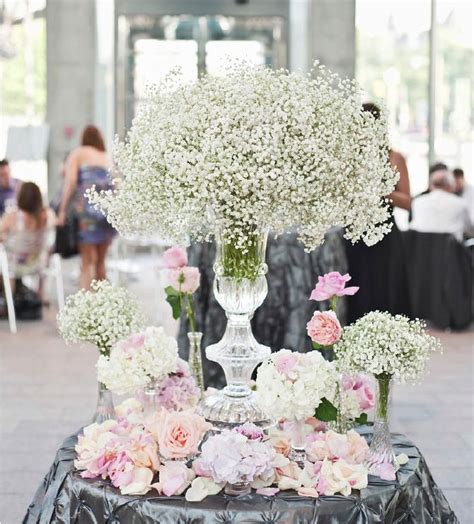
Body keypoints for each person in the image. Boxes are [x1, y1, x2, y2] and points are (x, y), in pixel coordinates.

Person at [345, 102, 412, 323]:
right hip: (356, 233)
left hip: (385, 233)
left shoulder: (394, 158)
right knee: (358, 290)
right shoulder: (350, 159)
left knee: (387, 291)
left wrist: (382, 191)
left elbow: (408, 202)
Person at [57, 125, 115, 289]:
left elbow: (71, 183)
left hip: (87, 215)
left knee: (87, 262)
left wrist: (62, 210)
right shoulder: (106, 156)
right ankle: (103, 305)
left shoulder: (79, 153)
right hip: (107, 215)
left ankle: (87, 308)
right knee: (101, 262)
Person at [0, 182, 56, 294]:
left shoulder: (12, 216)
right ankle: (41, 294)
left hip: (14, 266)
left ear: (20, 196)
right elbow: (52, 238)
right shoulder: (48, 215)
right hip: (38, 265)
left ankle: (9, 299)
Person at [410, 167, 471, 241]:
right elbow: (469, 228)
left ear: (431, 186)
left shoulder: (417, 202)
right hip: (451, 250)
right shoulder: (460, 203)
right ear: (450, 186)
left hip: (421, 249)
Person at [453, 167, 474, 232]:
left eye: (458, 182)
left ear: (463, 179)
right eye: (454, 182)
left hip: (469, 226)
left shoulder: (471, 191)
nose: (456, 185)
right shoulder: (451, 193)